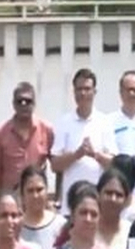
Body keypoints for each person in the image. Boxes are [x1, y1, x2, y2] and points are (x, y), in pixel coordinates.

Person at [50, 68, 118, 216]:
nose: (83, 93)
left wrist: (95, 155)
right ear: (74, 92)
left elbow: (113, 164)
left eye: (87, 89)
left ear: (95, 92)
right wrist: (77, 154)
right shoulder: (63, 122)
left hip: (98, 203)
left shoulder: (105, 122)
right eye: (79, 89)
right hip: (70, 205)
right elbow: (55, 165)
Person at [0, 82, 54, 193]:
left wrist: (57, 197)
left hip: (35, 195)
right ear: (13, 104)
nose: (23, 104)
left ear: (34, 104)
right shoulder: (2, 132)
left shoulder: (46, 130)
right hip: (10, 196)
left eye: (28, 101)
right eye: (20, 101)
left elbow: (57, 166)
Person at [19, 165, 66, 249]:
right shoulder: (15, 227)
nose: (35, 195)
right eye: (30, 191)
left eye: (39, 190)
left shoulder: (61, 225)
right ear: (22, 195)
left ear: (47, 190)